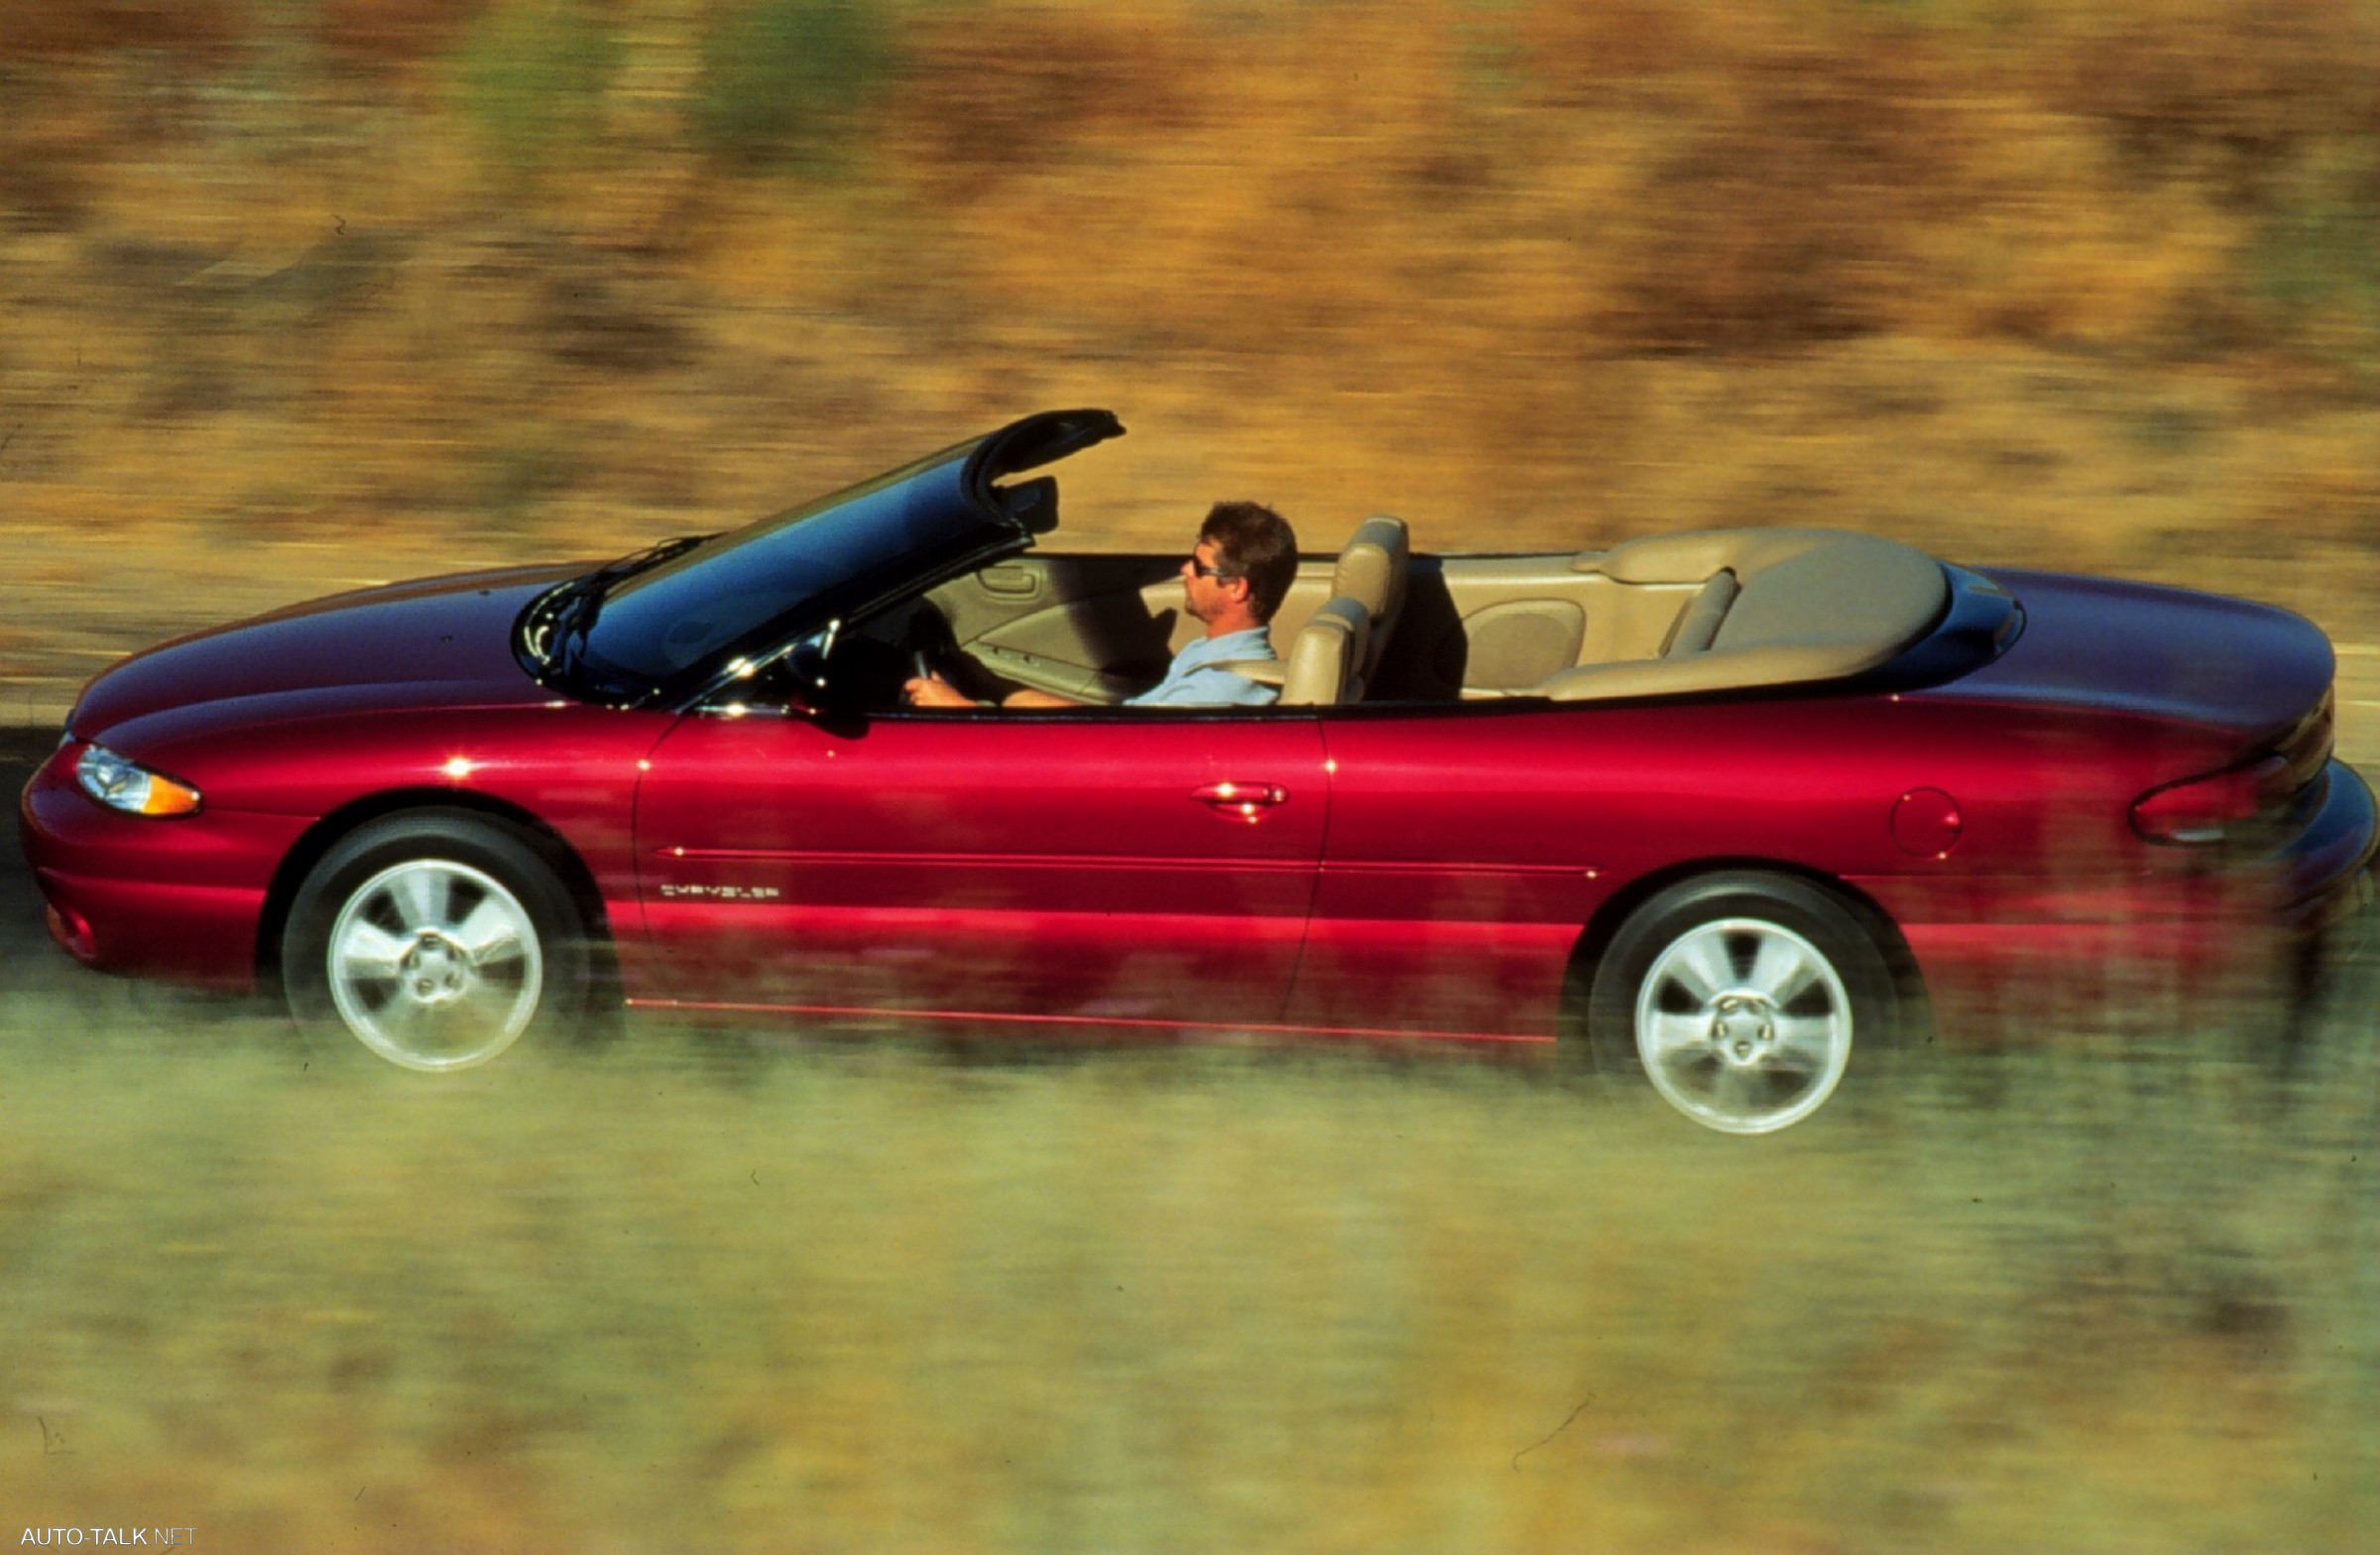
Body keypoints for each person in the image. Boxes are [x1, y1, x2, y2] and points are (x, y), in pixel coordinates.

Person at [904, 501, 1298, 710]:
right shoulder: (1210, 654)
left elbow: (1119, 746)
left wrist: (968, 715)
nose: (1184, 570)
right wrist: (996, 688)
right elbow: (1116, 723)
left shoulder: (1219, 689)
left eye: (1199, 565)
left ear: (1236, 589)